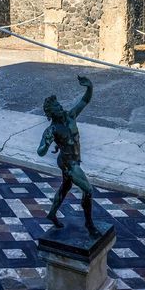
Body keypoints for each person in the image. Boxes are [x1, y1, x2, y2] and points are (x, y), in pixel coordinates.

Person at [37, 75, 100, 237]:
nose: (60, 108)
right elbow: (40, 151)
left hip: (74, 160)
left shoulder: (71, 116)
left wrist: (89, 87)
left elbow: (84, 101)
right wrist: (46, 144)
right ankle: (89, 224)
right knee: (88, 190)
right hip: (68, 163)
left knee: (66, 187)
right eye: (56, 107)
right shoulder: (52, 130)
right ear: (51, 113)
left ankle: (52, 214)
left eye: (59, 105)